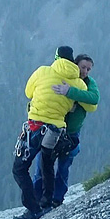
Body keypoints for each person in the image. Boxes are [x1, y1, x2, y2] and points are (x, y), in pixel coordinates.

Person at [12, 46, 94, 219]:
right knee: (47, 165)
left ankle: (33, 209)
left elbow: (28, 93)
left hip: (35, 127)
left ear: (57, 57)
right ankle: (47, 204)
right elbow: (91, 105)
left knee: (19, 169)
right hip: (56, 131)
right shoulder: (78, 83)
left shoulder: (43, 71)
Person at [32, 53, 99, 207]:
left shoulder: (89, 83)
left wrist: (70, 92)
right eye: (83, 67)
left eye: (89, 69)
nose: (86, 72)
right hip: (54, 128)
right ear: (75, 65)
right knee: (42, 165)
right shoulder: (64, 78)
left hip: (70, 132)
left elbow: (94, 101)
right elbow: (90, 102)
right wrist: (79, 99)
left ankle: (57, 199)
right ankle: (38, 199)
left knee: (63, 166)